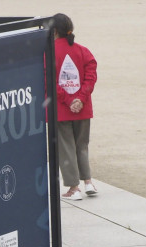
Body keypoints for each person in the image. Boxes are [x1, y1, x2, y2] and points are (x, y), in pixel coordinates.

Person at [53, 13, 98, 201]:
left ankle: (74, 187)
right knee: (82, 146)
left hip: (62, 110)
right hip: (83, 108)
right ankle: (88, 181)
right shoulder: (83, 51)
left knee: (66, 148)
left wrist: (68, 100)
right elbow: (91, 76)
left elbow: (49, 82)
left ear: (54, 31)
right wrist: (80, 98)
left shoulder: (49, 52)